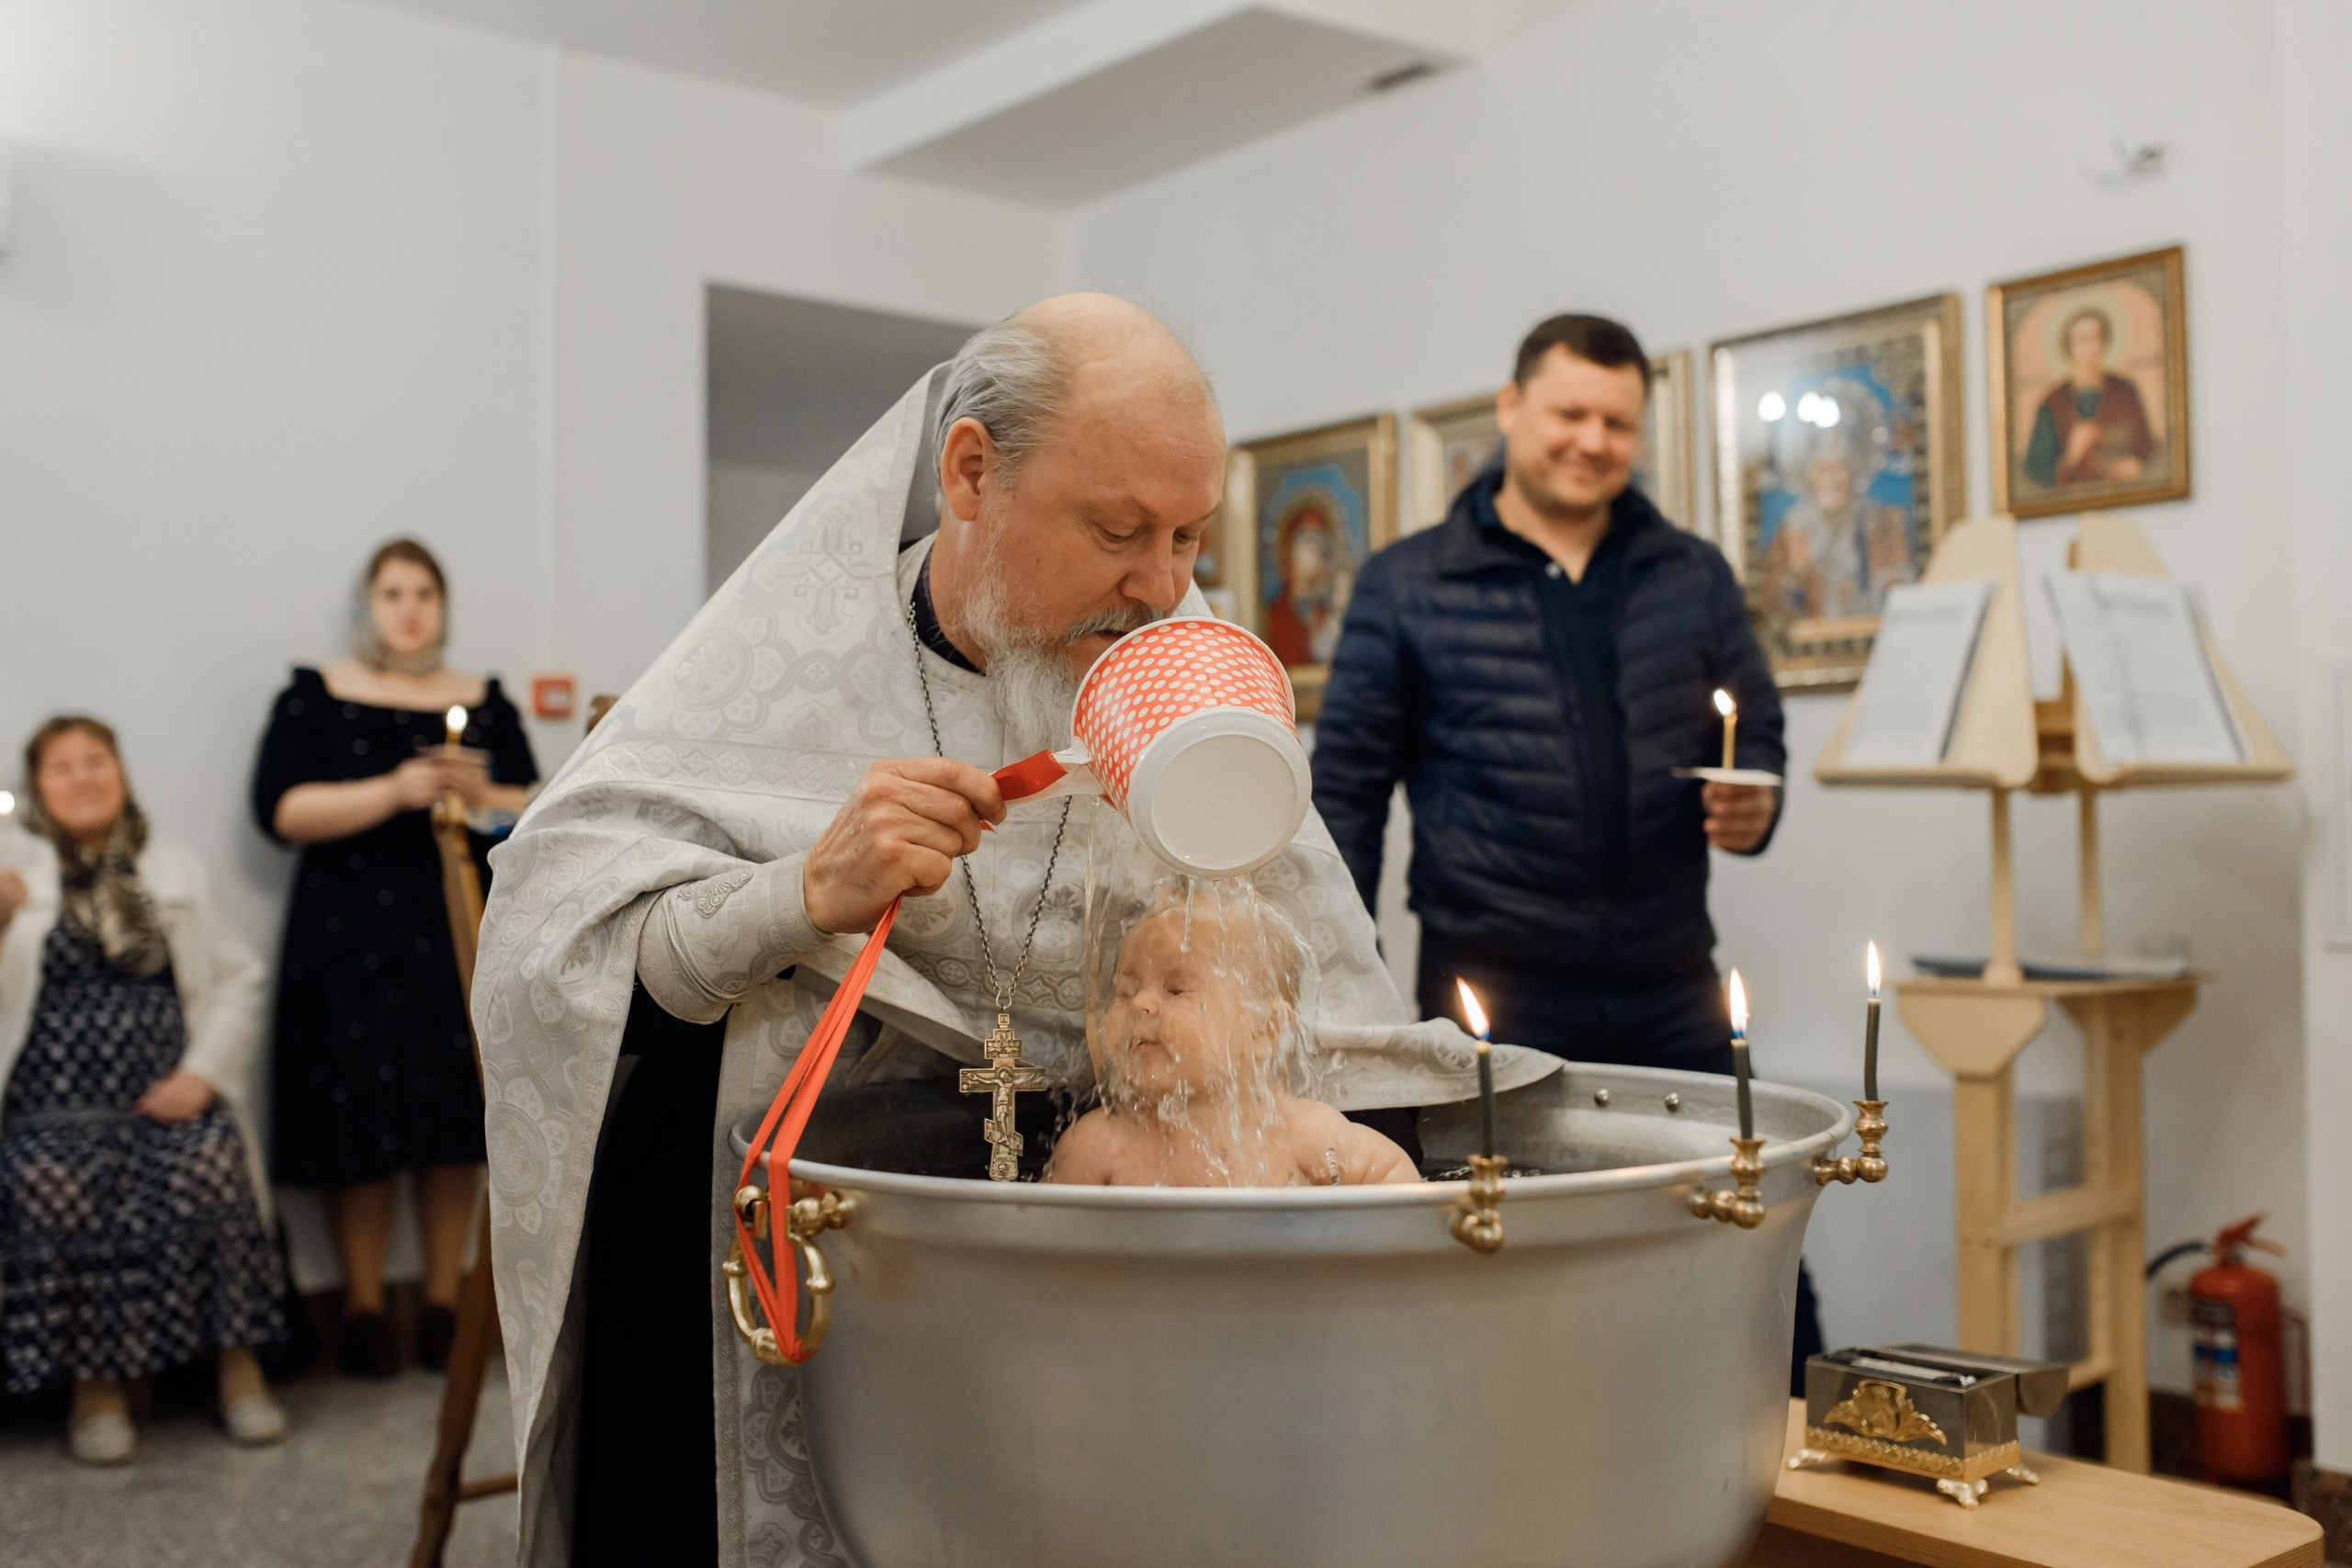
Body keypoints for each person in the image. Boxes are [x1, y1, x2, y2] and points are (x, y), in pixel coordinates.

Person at [471, 294, 1540, 1568]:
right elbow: (559, 952)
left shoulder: (1184, 686)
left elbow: (1325, 1013)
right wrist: (802, 890)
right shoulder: (784, 663)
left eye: (1191, 534)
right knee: (667, 1147)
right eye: (1119, 529)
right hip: (822, 1227)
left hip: (1119, 1247)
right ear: (971, 470)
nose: (1163, 585)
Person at [1310, 312, 1821, 1382]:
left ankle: (1788, 1483)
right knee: (1499, 1252)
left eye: (1617, 422)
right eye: (1570, 413)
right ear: (1511, 410)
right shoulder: (1408, 583)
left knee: (1752, 1222)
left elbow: (1755, 731)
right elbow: (1347, 794)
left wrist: (1755, 807)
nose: (1592, 440)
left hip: (1668, 980)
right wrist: (1329, 988)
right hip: (1488, 992)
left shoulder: (1690, 572)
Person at [251, 538, 537, 1378]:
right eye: (392, 593)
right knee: (357, 1121)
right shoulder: (317, 693)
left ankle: (445, 1303)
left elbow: (540, 800)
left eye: (424, 592)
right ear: (368, 606)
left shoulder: (482, 699)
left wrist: (479, 795)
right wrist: (396, 789)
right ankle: (366, 1304)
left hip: (452, 924)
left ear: (442, 606)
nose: (409, 608)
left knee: (453, 1120)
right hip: (346, 939)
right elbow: (284, 808)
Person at [0, 717, 287, 1463]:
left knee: (210, 1162)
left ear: (121, 771)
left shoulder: (176, 865)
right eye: (61, 766)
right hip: (50, 1103)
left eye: (97, 759)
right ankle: (94, 1385)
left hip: (167, 1092)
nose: (84, 776)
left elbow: (238, 980)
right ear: (36, 787)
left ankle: (240, 1369)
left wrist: (202, 1075)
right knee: (53, 1179)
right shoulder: (12, 875)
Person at [1047, 886, 1421, 1188]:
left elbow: (1392, 1180)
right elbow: (1048, 1253)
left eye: (1176, 990)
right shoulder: (1098, 1146)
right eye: (1125, 991)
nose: (1141, 1004)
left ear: (1265, 1029)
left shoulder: (1302, 1132)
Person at [2020, 304, 2155, 491]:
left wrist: (2136, 464)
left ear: (2104, 341)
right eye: (2081, 340)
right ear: (2069, 346)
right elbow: (2036, 470)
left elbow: (2146, 447)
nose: (2089, 347)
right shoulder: (2053, 402)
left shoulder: (2125, 391)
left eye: (2095, 337)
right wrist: (2071, 455)